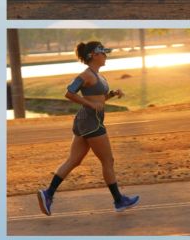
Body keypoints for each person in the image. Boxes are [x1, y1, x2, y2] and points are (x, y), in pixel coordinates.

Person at [37, 41, 140, 216]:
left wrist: (112, 94)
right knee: (108, 161)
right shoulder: (86, 75)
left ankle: (48, 194)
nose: (106, 56)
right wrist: (89, 105)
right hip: (91, 122)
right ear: (94, 54)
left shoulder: (97, 75)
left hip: (86, 121)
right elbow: (69, 93)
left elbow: (98, 101)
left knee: (74, 160)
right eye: (104, 53)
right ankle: (119, 200)